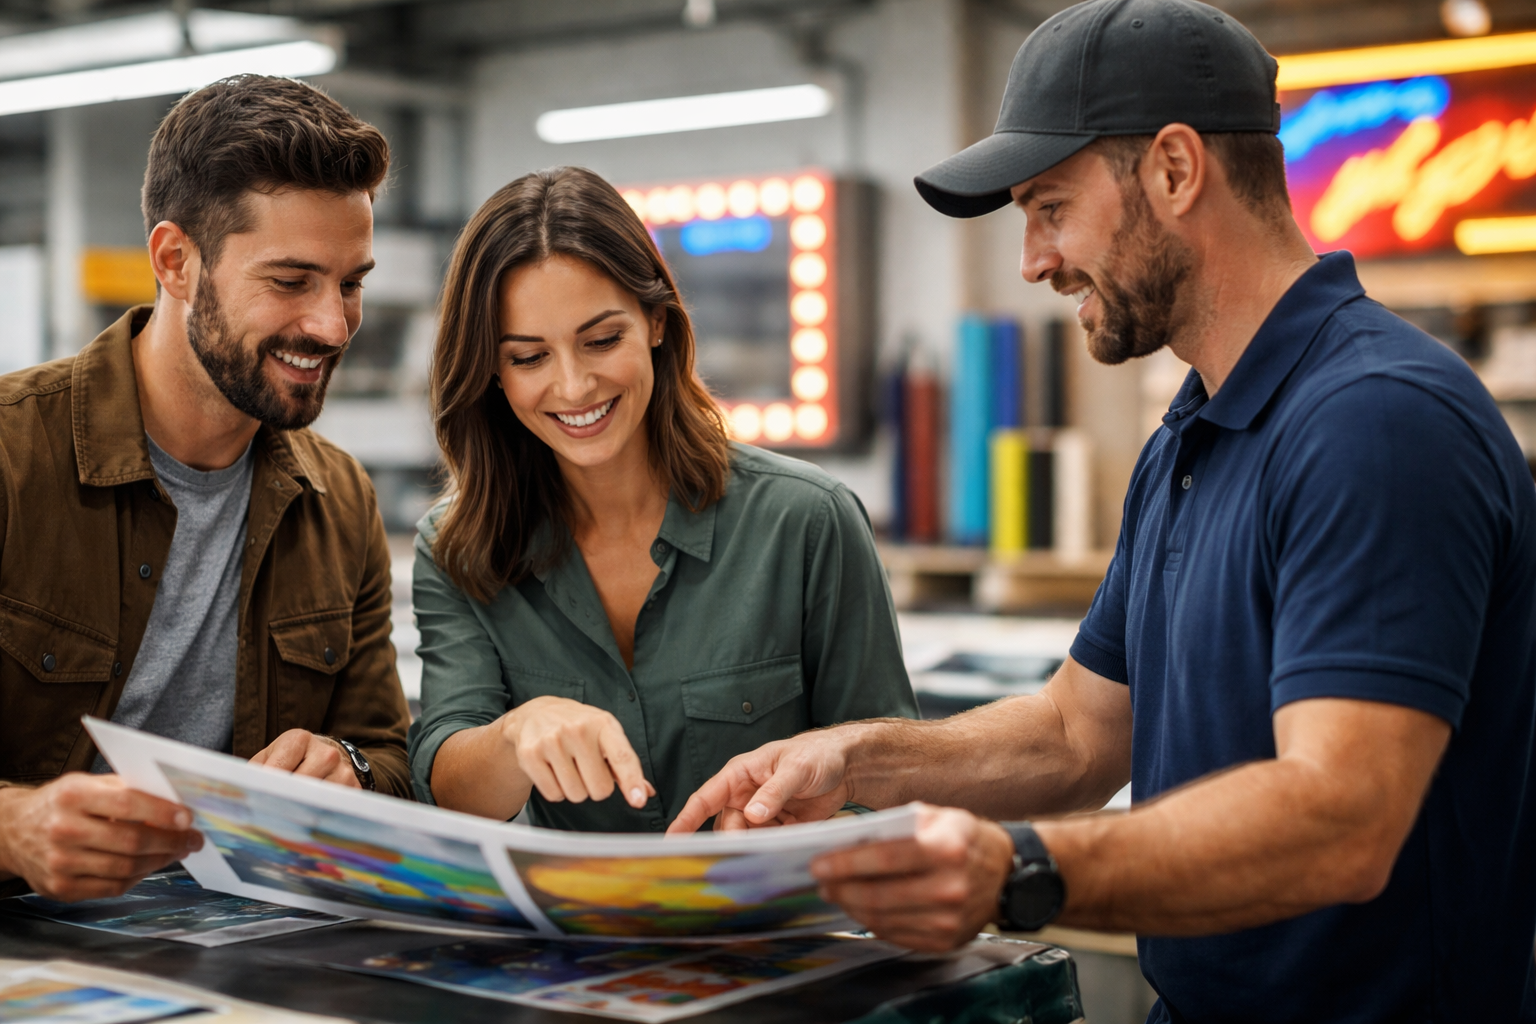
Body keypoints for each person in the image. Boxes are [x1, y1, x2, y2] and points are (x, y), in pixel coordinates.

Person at [671, 1, 1536, 1020]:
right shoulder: (1193, 431)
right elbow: (1079, 734)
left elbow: (1342, 817)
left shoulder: (1376, 422)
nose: (1035, 260)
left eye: (1050, 207)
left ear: (1174, 170)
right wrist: (860, 758)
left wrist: (1018, 868)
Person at [0, 76, 414, 903]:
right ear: (175, 261)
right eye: (291, 281)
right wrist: (14, 828)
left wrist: (352, 772)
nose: (332, 326)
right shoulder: (13, 457)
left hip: (239, 948)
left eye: (351, 283)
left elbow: (389, 756)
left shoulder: (339, 500)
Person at [407, 166, 916, 832]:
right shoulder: (457, 549)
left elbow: (891, 780)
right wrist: (515, 736)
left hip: (773, 923)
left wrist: (802, 828)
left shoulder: (806, 521)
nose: (574, 385)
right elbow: (447, 789)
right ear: (492, 372)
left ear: (655, 321)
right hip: (572, 932)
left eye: (601, 340)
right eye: (529, 357)